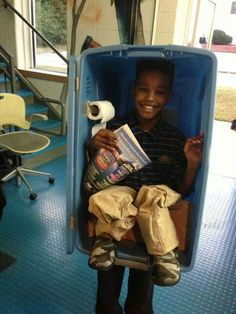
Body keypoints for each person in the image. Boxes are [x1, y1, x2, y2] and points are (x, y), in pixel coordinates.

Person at [86, 59, 203, 314]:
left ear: (169, 97)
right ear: (132, 91)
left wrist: (192, 164)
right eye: (143, 89)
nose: (150, 98)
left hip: (152, 230)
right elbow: (95, 178)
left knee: (140, 300)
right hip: (116, 226)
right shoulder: (115, 130)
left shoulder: (176, 140)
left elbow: (180, 192)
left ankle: (164, 255)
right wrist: (93, 147)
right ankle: (105, 242)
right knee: (106, 296)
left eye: (159, 91)